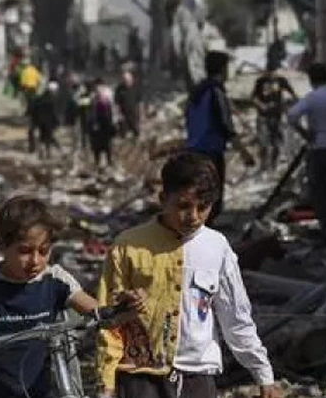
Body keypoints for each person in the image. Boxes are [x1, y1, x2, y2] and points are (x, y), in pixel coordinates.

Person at [96, 153, 281, 398]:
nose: (193, 216)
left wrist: (263, 374)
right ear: (163, 199)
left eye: (203, 207)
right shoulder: (128, 246)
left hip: (197, 378)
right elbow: (108, 320)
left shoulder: (217, 247)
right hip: (141, 378)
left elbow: (235, 317)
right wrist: (106, 383)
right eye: (183, 206)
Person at [0, 196, 123, 398]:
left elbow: (100, 313)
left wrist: (122, 309)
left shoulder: (55, 280)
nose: (35, 261)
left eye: (44, 251)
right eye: (25, 251)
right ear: (2, 244)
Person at [287, 63, 326, 246]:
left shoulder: (313, 98)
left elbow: (292, 116)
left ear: (311, 79)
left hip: (320, 148)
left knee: (322, 194)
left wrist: (305, 133)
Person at [183, 51, 239, 225]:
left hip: (193, 150)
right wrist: (243, 152)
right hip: (211, 152)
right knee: (212, 199)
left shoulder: (196, 92)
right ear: (223, 69)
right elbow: (226, 124)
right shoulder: (216, 92)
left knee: (200, 195)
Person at [251, 68, 298, 168]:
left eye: (273, 71)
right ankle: (263, 165)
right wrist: (261, 105)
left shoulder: (281, 80)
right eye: (269, 72)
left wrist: (289, 104)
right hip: (263, 116)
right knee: (263, 142)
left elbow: (293, 94)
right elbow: (253, 97)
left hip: (277, 116)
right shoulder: (260, 81)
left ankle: (273, 165)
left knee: (276, 142)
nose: (271, 74)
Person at [88, 78, 119, 166]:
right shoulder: (93, 98)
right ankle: (97, 161)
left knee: (108, 144)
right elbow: (91, 112)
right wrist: (93, 123)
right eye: (96, 87)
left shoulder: (108, 98)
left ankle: (109, 161)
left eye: (100, 87)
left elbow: (113, 110)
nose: (98, 89)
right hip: (97, 124)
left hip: (106, 123)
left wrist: (114, 121)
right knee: (96, 145)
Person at [117, 68, 142, 140]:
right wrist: (119, 114)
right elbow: (117, 103)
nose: (126, 81)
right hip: (124, 115)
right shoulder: (119, 88)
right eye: (124, 79)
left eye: (128, 79)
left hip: (134, 114)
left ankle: (136, 143)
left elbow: (140, 102)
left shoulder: (136, 87)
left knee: (136, 132)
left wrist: (141, 114)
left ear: (131, 79)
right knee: (123, 134)